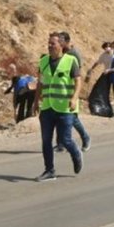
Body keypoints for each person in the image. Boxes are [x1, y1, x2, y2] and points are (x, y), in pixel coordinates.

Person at [34, 33, 84, 182]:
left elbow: (78, 81)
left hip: (65, 108)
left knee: (65, 139)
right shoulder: (43, 61)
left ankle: (76, 154)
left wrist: (74, 98)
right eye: (48, 44)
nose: (50, 46)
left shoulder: (70, 61)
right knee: (46, 140)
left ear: (61, 45)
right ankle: (49, 170)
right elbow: (40, 83)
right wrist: (36, 101)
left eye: (53, 44)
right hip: (48, 107)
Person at [60, 32, 92, 151]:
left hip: (71, 90)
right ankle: (61, 143)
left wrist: (75, 94)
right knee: (60, 117)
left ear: (67, 41)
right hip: (61, 90)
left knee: (72, 118)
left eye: (61, 40)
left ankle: (85, 137)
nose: (59, 43)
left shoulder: (74, 54)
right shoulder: (61, 53)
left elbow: (76, 74)